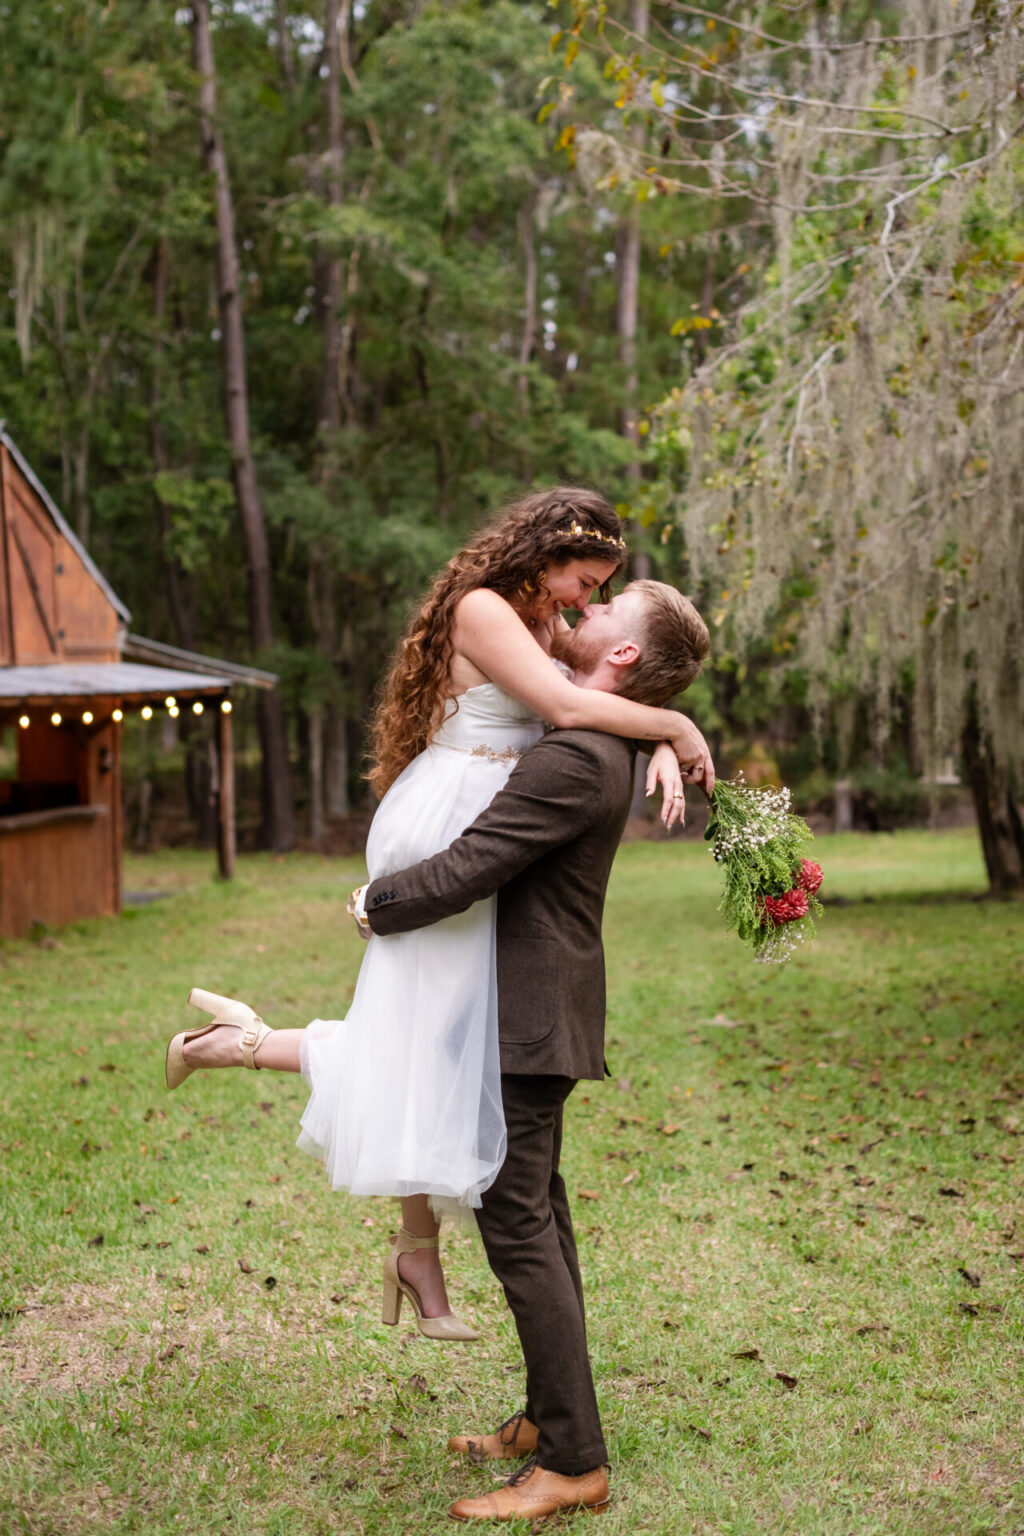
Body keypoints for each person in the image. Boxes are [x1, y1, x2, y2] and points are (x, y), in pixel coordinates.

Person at [165, 487, 712, 1342]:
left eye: (602, 589)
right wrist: (675, 725)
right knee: (424, 1045)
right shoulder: (488, 609)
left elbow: (599, 680)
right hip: (449, 824)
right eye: (586, 580)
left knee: (425, 1044)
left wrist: (657, 744)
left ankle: (255, 1061)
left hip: (485, 821)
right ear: (548, 554)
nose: (590, 603)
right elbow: (571, 708)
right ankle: (411, 1243)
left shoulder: (544, 617)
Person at [353, 576, 711, 1521]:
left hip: (524, 1020)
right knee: (539, 1221)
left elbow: (475, 864)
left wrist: (374, 905)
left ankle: (574, 1463)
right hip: (539, 1012)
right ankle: (549, 1422)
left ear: (624, 656)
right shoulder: (605, 733)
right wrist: (674, 730)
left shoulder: (580, 753)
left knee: (519, 1231)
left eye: (601, 611)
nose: (578, 616)